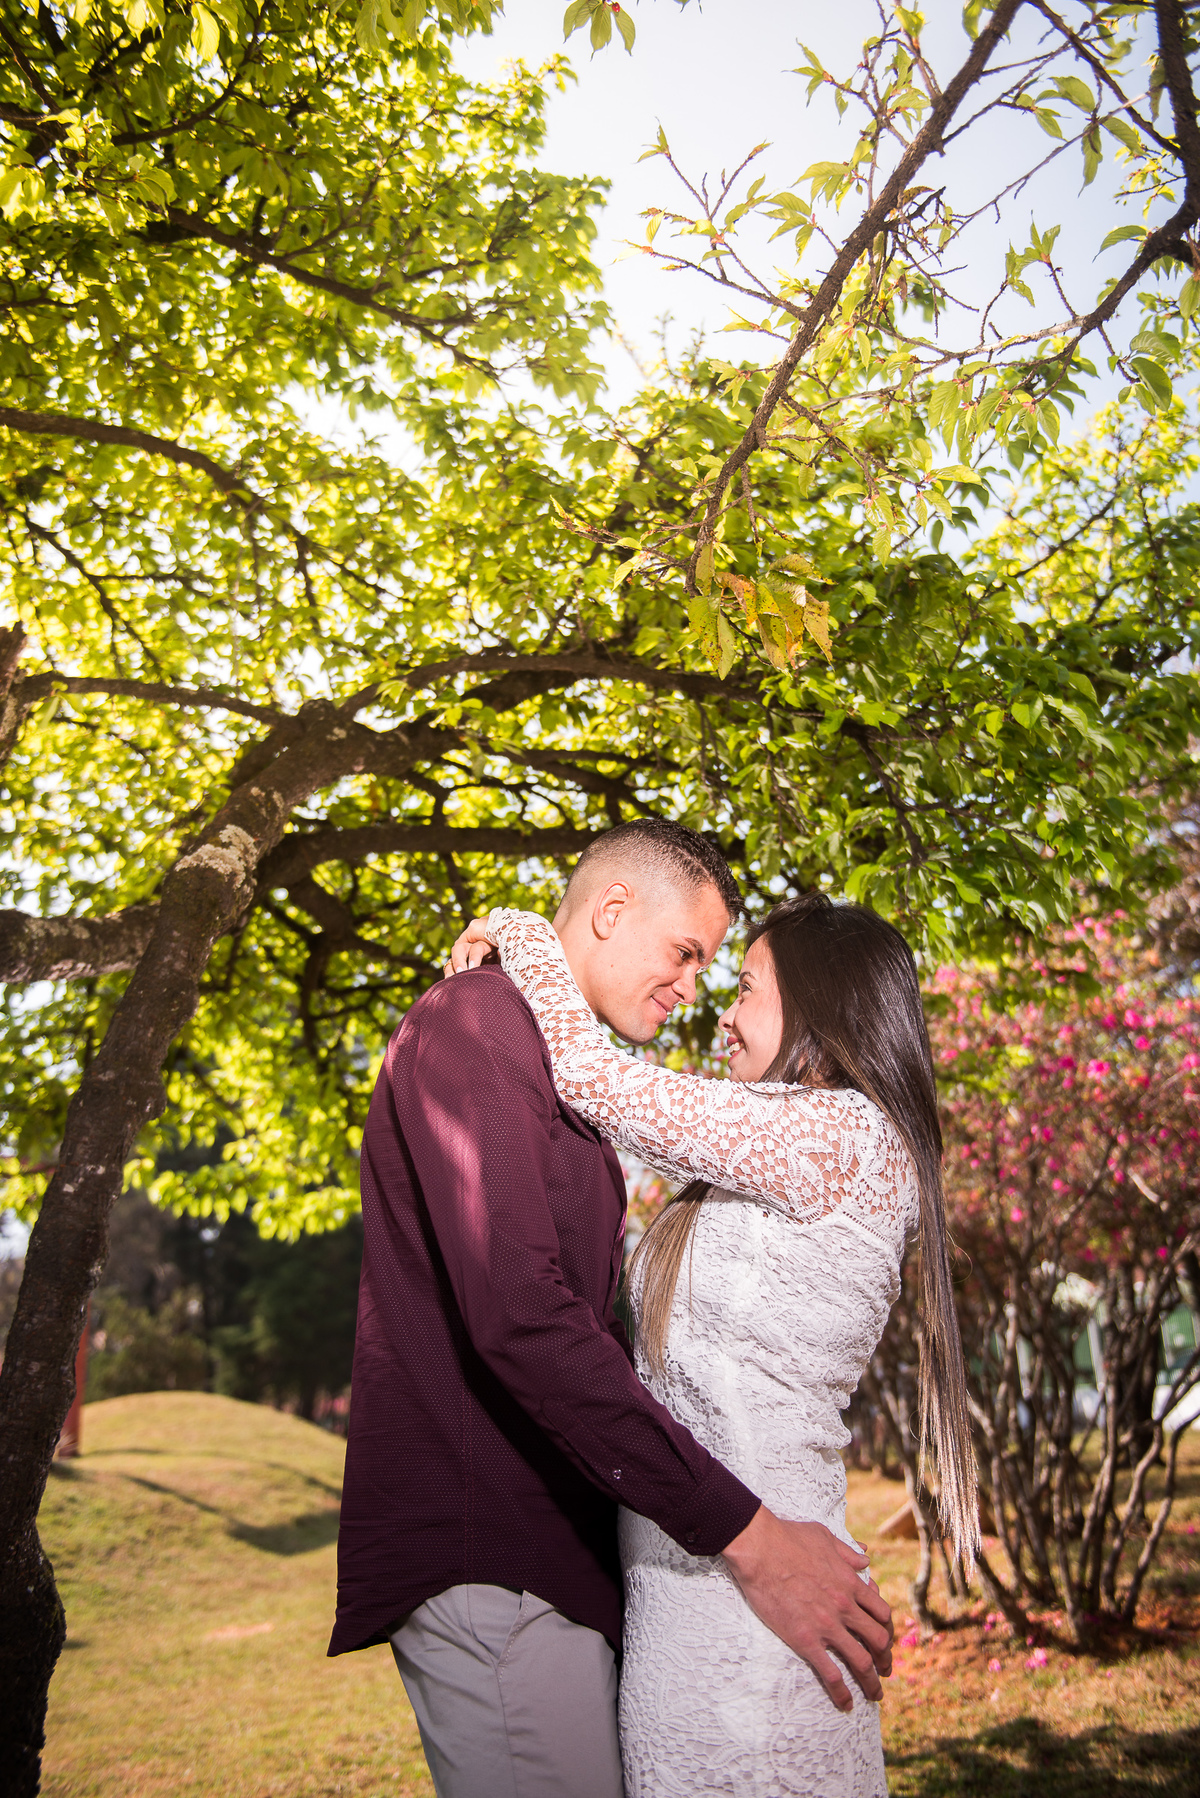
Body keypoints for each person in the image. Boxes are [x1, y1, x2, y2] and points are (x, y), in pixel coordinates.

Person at [329, 821, 893, 1798]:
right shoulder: (477, 1020)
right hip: (492, 1546)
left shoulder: (569, 1089)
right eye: (687, 951)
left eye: (716, 967)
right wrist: (747, 1531)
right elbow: (523, 1318)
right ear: (611, 910)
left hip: (563, 1556)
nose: (694, 987)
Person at [449, 888, 978, 1797]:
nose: (721, 1015)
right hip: (696, 1571)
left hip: (753, 1578)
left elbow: (589, 1076)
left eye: (748, 989)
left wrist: (522, 925)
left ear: (821, 1007)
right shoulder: (789, 1145)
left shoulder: (839, 1132)